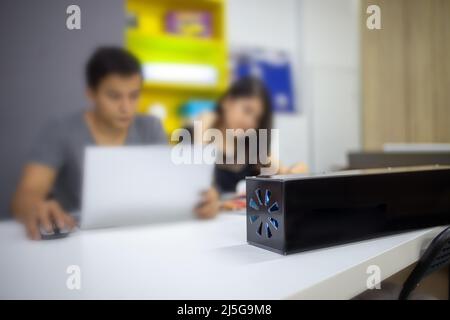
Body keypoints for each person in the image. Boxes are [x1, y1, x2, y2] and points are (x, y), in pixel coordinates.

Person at [11, 47, 218, 240]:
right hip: (78, 240)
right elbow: (27, 193)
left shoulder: (150, 127)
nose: (126, 107)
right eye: (114, 96)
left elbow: (168, 189)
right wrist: (36, 207)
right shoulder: (61, 130)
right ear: (91, 93)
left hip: (139, 235)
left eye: (134, 96)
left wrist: (201, 200)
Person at [195, 77, 307, 197]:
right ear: (227, 102)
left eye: (257, 119)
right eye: (247, 110)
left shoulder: (253, 149)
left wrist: (294, 171)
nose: (250, 123)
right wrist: (204, 125)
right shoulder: (203, 129)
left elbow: (291, 171)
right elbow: (197, 178)